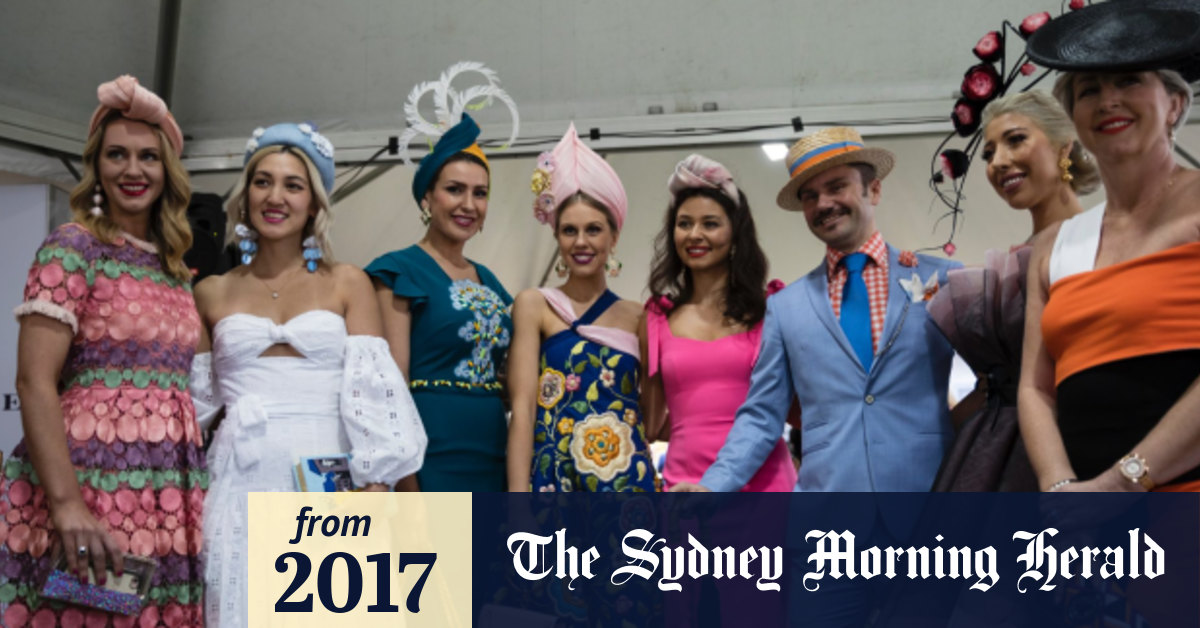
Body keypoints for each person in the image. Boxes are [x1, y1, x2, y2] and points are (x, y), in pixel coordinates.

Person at [191, 123, 426, 626]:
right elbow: (192, 408)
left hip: (330, 482)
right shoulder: (210, 291)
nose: (275, 197)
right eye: (262, 182)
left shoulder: (348, 282)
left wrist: (377, 487)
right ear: (245, 194)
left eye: (293, 185)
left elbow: (375, 395)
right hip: (240, 480)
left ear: (314, 204)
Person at [0, 75, 205, 626]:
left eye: (147, 157)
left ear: (168, 172)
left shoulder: (175, 268)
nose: (133, 170)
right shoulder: (73, 248)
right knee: (92, 614)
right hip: (91, 480)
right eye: (116, 154)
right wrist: (67, 505)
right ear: (97, 166)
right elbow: (34, 381)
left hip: (168, 488)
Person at [673, 126, 961, 494]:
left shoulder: (943, 278)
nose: (823, 203)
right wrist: (713, 486)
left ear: (873, 189)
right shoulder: (785, 307)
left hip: (930, 501)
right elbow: (762, 415)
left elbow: (992, 382)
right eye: (810, 196)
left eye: (837, 186)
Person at [1020, 0, 1200, 492]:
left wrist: (1121, 484)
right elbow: (1034, 388)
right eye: (1088, 90)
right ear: (1074, 120)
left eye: (1128, 81)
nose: (1107, 101)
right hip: (1091, 528)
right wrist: (1061, 491)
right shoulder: (1054, 244)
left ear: (1175, 103)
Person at [928, 90, 1093, 491]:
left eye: (1016, 139)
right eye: (988, 153)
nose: (998, 161)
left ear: (1063, 145)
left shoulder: (1101, 242)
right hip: (992, 456)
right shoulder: (1009, 265)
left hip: (1081, 448)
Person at [506, 124, 657, 492]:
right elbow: (522, 410)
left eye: (594, 229)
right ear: (556, 236)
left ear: (614, 236)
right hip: (554, 480)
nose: (581, 242)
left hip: (625, 486)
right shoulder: (535, 305)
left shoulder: (641, 316)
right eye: (569, 231)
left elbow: (651, 420)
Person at [640, 153, 795, 491]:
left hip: (767, 487)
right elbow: (650, 424)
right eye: (684, 224)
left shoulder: (770, 309)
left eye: (710, 223)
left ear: (736, 232)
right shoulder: (656, 317)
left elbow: (792, 409)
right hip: (685, 488)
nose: (695, 234)